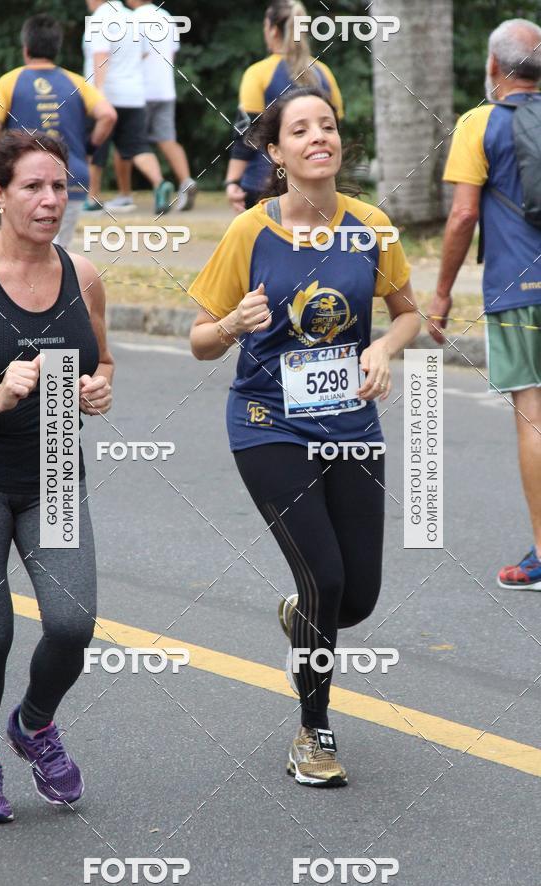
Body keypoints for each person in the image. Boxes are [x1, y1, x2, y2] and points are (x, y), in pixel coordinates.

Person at [190, 88, 420, 786]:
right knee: (323, 576)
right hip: (269, 423)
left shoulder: (372, 225)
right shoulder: (249, 232)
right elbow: (200, 341)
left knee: (357, 599)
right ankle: (313, 732)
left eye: (327, 126)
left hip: (351, 424)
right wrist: (232, 324)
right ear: (277, 153)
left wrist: (383, 348)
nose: (318, 136)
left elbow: (408, 314)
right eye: (300, 130)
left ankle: (303, 615)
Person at [0, 131, 114, 823]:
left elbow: (103, 361)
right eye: (33, 187)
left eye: (60, 187)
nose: (50, 201)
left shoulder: (84, 275)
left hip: (55, 469)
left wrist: (98, 387)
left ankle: (34, 724)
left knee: (72, 624)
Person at [428, 18, 541, 591]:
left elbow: (464, 215)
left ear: (494, 67)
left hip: (519, 292)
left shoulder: (478, 123)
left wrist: (442, 293)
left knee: (533, 417)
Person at [0, 13, 116, 249]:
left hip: (25, 181)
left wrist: (8, 150)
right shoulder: (76, 82)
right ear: (56, 49)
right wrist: (89, 149)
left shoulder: (9, 81)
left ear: (26, 49)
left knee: (24, 250)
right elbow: (108, 115)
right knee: (57, 250)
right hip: (70, 176)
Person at [225, 0, 343, 213]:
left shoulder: (258, 73)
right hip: (317, 185)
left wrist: (232, 181)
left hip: (262, 185)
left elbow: (246, 133)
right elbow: (337, 127)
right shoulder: (324, 72)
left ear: (272, 30)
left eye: (264, 26)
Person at [83, 0, 174, 215]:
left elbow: (101, 55)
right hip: (134, 95)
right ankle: (159, 182)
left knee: (95, 146)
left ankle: (91, 198)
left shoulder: (100, 18)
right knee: (138, 147)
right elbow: (145, 52)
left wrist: (99, 92)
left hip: (107, 95)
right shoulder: (132, 18)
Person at [109, 0, 197, 213]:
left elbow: (137, 53)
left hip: (139, 91)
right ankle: (186, 181)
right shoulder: (166, 17)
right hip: (165, 89)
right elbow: (171, 54)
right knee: (167, 140)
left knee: (125, 142)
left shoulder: (132, 19)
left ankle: (125, 195)